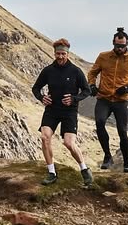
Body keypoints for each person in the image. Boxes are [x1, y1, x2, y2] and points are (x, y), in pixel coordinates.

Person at [31, 38, 93, 187]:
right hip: (52, 109)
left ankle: (84, 169)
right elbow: (35, 88)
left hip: (69, 112)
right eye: (58, 54)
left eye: (63, 54)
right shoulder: (48, 70)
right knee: (45, 137)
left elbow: (87, 90)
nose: (60, 57)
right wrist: (42, 97)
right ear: (54, 53)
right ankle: (51, 172)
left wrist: (74, 99)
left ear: (67, 54)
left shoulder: (75, 71)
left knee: (69, 143)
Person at [86, 27, 128, 172]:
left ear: (127, 44)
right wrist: (92, 85)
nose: (119, 48)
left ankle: (127, 163)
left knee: (122, 132)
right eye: (117, 46)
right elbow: (92, 73)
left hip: (121, 100)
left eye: (122, 46)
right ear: (113, 43)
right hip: (104, 98)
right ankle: (107, 156)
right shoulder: (103, 57)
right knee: (99, 123)